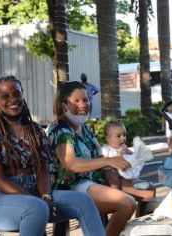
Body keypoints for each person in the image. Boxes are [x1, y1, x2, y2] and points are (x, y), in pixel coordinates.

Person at [0, 76, 105, 236]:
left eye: (17, 94)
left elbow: (43, 169)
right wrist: (37, 201)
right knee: (37, 208)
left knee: (84, 201)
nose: (13, 99)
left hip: (35, 192)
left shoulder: (34, 129)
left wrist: (46, 196)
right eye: (5, 96)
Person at [46, 81, 136, 236]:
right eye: (77, 101)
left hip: (92, 181)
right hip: (71, 186)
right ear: (64, 105)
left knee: (148, 191)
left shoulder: (85, 128)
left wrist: (113, 179)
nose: (83, 104)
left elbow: (99, 156)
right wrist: (108, 161)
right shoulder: (61, 129)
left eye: (86, 99)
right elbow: (71, 164)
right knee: (127, 203)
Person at [101, 120, 156, 202]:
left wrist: (135, 155)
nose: (123, 138)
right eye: (118, 136)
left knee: (133, 175)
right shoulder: (105, 149)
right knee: (112, 179)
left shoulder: (123, 147)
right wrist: (119, 153)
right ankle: (116, 195)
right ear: (108, 138)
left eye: (124, 135)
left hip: (123, 171)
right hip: (111, 171)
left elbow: (131, 155)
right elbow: (105, 162)